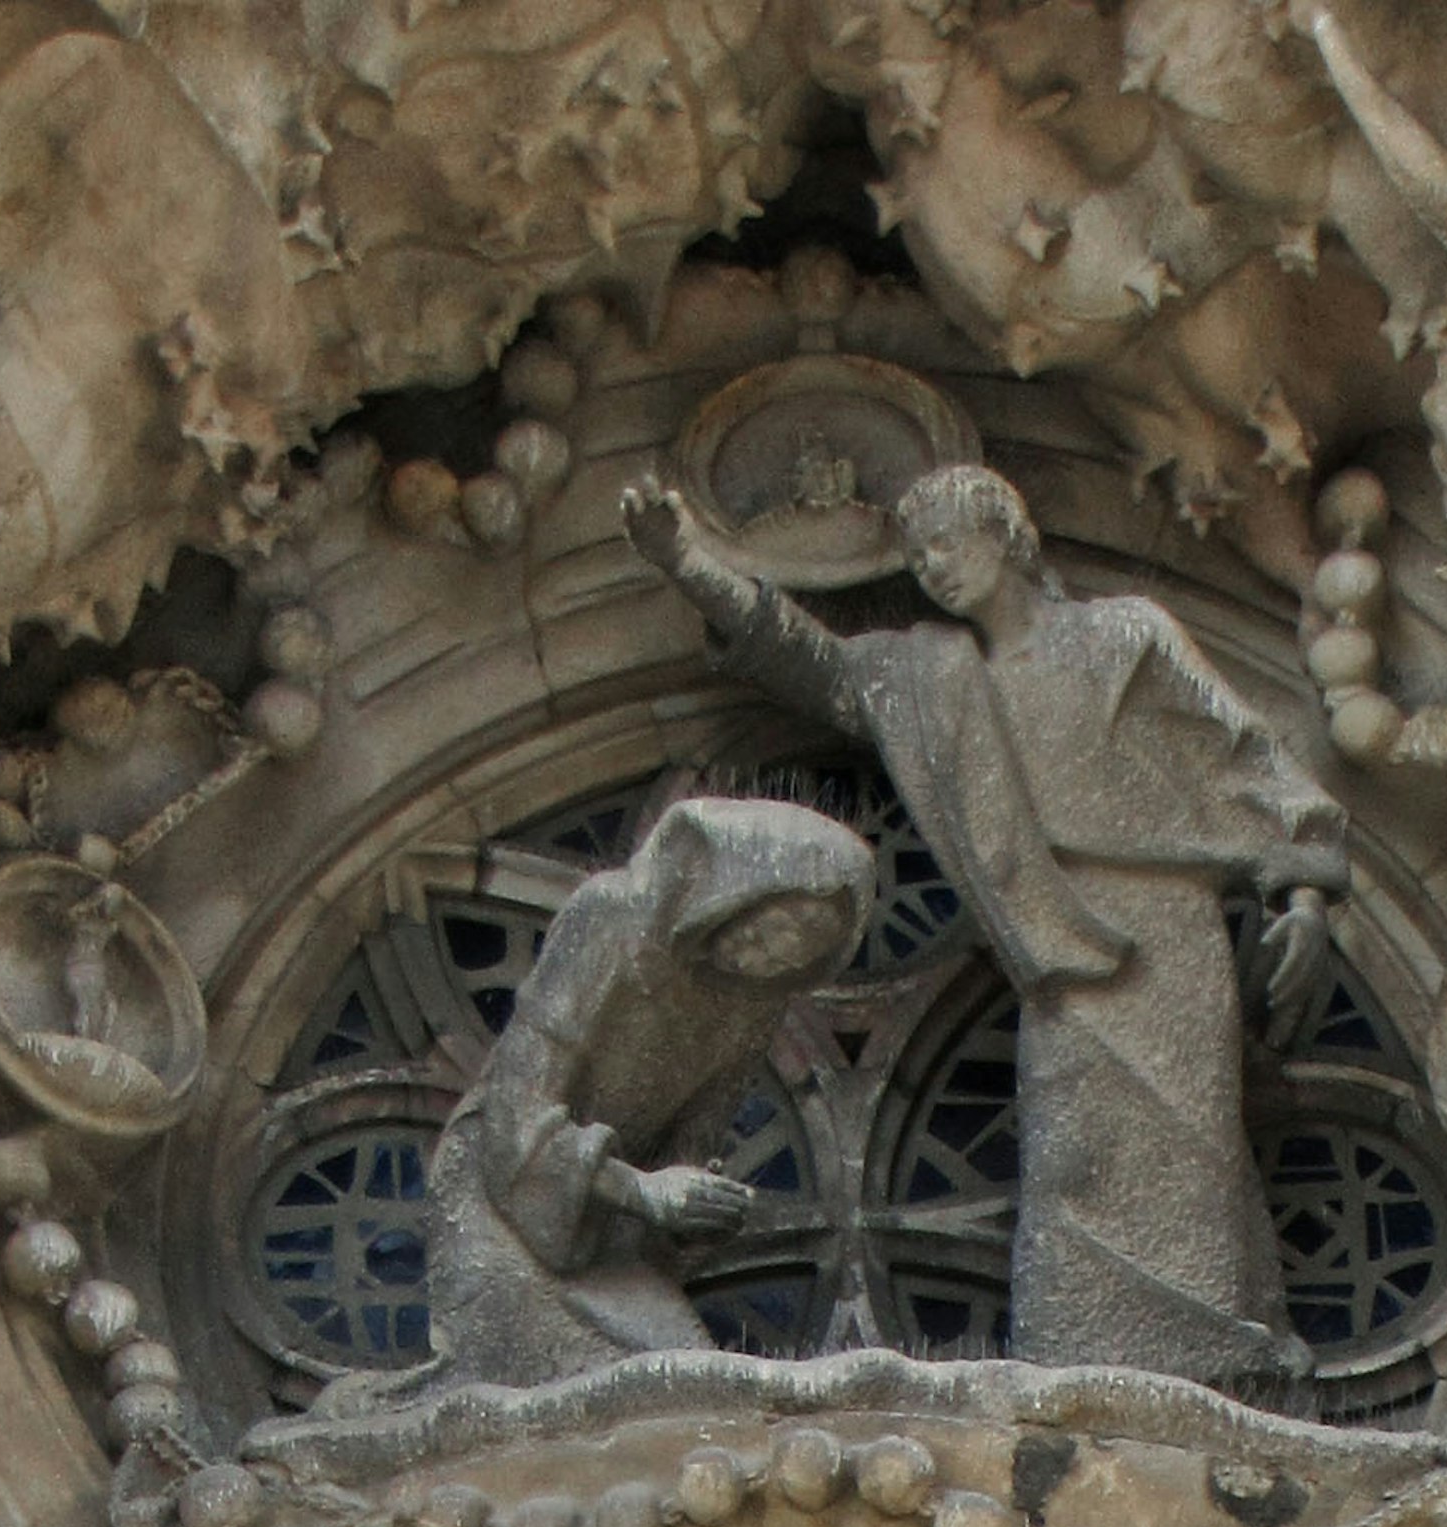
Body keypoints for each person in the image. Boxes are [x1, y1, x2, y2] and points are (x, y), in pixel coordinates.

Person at [623, 465, 1350, 1391]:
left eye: (947, 545)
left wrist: (1305, 890)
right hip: (1060, 961)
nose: (932, 569)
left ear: (1006, 534)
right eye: (918, 555)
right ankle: (1088, 1377)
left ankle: (1208, 1369)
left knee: (1185, 1161)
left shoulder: (1124, 635)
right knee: (1074, 1162)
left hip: (1162, 933)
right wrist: (687, 563)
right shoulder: (935, 680)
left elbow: (1245, 754)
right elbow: (816, 664)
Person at [418, 792, 874, 1385]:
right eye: (777, 929)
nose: (771, 957)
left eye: (800, 954)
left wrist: (695, 1207)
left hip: (610, 1234)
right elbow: (515, 1114)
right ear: (741, 892)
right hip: (502, 1201)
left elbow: (690, 1146)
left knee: (692, 1384)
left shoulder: (753, 1003)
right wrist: (642, 1192)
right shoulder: (611, 920)